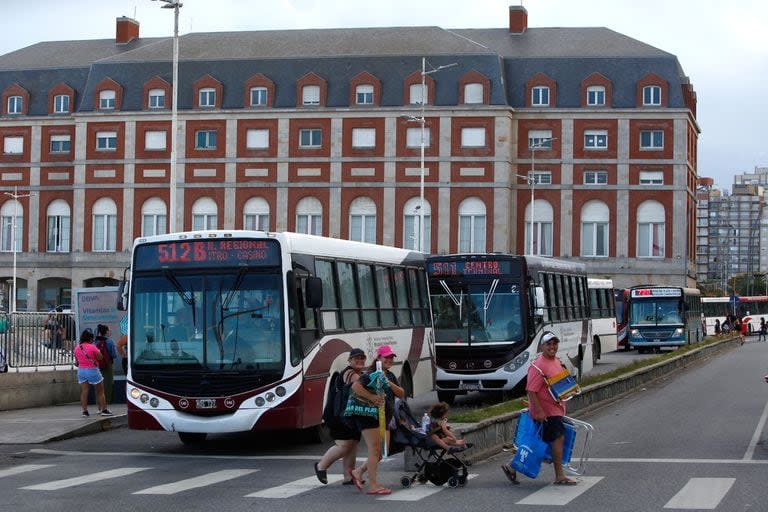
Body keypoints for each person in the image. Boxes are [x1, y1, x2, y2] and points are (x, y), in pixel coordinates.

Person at [345, 345, 405, 495]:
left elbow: (401, 393)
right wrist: (372, 397)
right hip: (369, 416)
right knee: (375, 449)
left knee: (381, 452)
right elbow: (355, 387)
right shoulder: (371, 373)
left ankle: (358, 472)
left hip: (384, 417)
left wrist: (387, 382)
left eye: (391, 357)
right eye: (386, 357)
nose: (389, 360)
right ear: (379, 358)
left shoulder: (389, 375)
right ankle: (373, 485)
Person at [524, 331, 577, 485]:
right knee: (557, 438)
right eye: (549, 344)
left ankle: (512, 467)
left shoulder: (556, 361)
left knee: (538, 442)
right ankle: (559, 475)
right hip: (547, 412)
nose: (552, 347)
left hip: (557, 408)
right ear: (542, 346)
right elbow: (531, 390)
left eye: (554, 343)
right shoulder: (538, 365)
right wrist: (538, 410)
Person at [314, 348, 368, 486]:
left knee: (352, 445)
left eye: (362, 358)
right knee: (343, 445)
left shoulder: (358, 373)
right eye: (356, 358)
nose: (360, 360)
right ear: (350, 360)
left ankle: (348, 476)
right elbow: (362, 386)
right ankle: (321, 466)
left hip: (351, 416)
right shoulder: (350, 373)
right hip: (339, 416)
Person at [74, 329, 113, 418]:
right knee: (100, 391)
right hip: (92, 370)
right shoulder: (93, 347)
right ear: (90, 339)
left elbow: (77, 361)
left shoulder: (77, 348)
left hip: (81, 371)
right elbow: (100, 358)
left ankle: (85, 411)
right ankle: (104, 410)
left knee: (84, 392)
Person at [94, 324, 119, 404]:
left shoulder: (95, 341)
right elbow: (114, 355)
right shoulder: (110, 341)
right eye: (108, 330)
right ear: (106, 332)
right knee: (108, 384)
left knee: (98, 384)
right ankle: (106, 402)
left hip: (97, 365)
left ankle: (98, 403)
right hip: (107, 364)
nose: (109, 332)